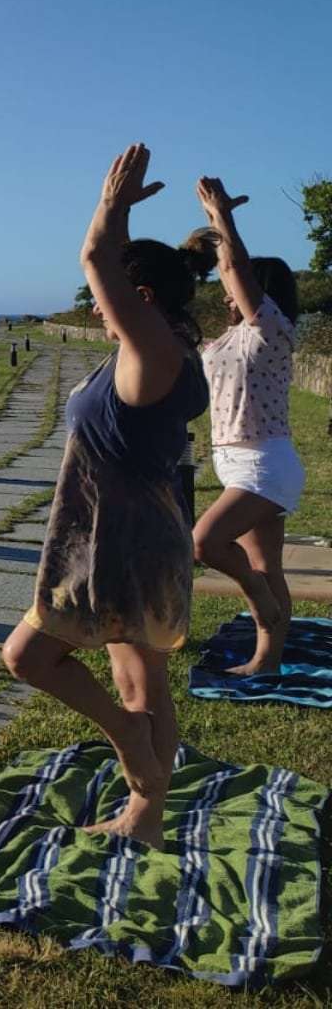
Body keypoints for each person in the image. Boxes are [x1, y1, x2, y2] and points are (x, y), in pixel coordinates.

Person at [0, 144, 210, 849]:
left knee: (35, 661)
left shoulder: (155, 357)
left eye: (112, 295)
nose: (93, 303)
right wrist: (121, 229)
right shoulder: (153, 346)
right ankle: (144, 813)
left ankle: (131, 750)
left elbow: (97, 260)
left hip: (123, 548)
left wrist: (110, 209)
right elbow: (111, 270)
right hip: (117, 538)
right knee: (138, 677)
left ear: (140, 299)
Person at [191, 177, 304, 676]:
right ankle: (267, 660)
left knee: (204, 542)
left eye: (231, 286)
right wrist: (212, 231)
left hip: (265, 463)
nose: (225, 293)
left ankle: (256, 595)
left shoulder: (271, 330)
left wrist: (223, 218)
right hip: (238, 461)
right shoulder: (230, 338)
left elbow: (235, 266)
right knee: (265, 565)